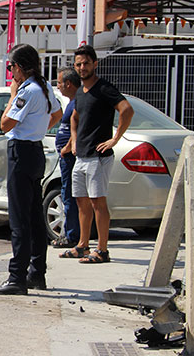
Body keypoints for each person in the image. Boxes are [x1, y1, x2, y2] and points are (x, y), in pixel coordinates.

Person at [0, 44, 62, 295]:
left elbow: (5, 124)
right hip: (35, 150)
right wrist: (38, 128)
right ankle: (36, 273)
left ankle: (16, 277)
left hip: (21, 151)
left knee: (20, 219)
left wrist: (11, 96)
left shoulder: (26, 91)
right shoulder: (44, 86)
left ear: (19, 67)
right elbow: (57, 113)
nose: (11, 72)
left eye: (11, 67)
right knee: (34, 217)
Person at [60, 45, 134, 264]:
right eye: (79, 64)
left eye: (86, 63)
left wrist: (115, 139)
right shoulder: (81, 93)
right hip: (81, 156)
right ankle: (83, 245)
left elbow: (127, 110)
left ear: (95, 64)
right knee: (81, 202)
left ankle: (102, 249)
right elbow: (74, 117)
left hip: (98, 157)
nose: (83, 67)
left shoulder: (104, 88)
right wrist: (73, 141)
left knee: (97, 203)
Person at [51, 67, 81, 249]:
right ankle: (70, 233)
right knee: (66, 194)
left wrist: (67, 148)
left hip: (70, 158)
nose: (58, 86)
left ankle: (71, 236)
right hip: (66, 157)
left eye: (59, 82)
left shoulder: (78, 102)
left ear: (68, 84)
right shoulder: (71, 102)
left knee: (69, 195)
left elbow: (78, 126)